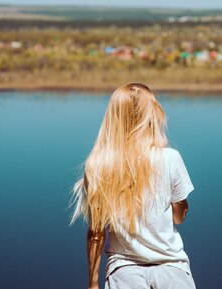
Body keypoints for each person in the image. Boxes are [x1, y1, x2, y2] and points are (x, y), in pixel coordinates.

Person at [71, 82, 196, 289]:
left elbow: (96, 234)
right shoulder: (170, 158)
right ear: (152, 115)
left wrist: (93, 284)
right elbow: (178, 217)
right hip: (172, 268)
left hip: (124, 271)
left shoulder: (98, 165)